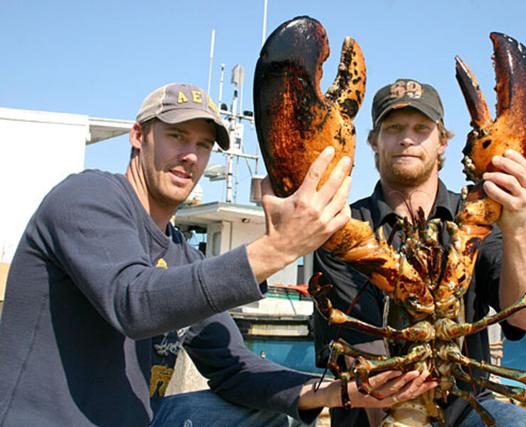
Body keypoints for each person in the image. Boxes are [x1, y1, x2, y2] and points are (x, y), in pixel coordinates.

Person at [0, 83, 435, 427]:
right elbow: (134, 302)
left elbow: (234, 368)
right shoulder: (87, 195)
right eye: (176, 136)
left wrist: (343, 392)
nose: (190, 155)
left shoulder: (181, 253)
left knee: (275, 414)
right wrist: (277, 248)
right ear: (138, 136)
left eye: (204, 144)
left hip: (141, 419)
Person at [312, 78, 526, 426]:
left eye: (421, 128)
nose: (407, 138)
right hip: (379, 410)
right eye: (393, 128)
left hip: (469, 407)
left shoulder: (477, 220)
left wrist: (517, 224)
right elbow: (366, 369)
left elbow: (524, 317)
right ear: (373, 141)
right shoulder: (340, 229)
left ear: (443, 143)